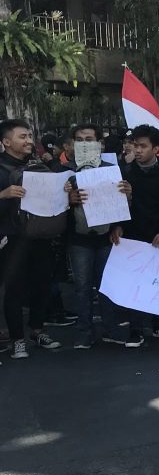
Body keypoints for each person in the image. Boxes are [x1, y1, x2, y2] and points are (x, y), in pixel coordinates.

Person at [112, 124, 159, 343]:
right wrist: (117, 225)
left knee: (157, 282)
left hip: (158, 239)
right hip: (132, 238)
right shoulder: (124, 173)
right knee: (135, 283)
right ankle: (135, 328)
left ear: (156, 149)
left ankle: (157, 322)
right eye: (134, 146)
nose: (137, 150)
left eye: (142, 146)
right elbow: (116, 206)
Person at [0, 119, 65, 359]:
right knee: (14, 290)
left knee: (42, 285)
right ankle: (18, 339)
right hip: (12, 239)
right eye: (22, 137)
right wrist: (4, 194)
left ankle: (38, 330)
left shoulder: (39, 167)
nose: (28, 141)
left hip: (41, 236)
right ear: (6, 141)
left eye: (29, 136)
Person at [65, 128, 135, 348]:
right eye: (79, 140)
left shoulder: (112, 170)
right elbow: (52, 210)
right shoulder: (64, 172)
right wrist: (68, 199)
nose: (84, 144)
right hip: (79, 239)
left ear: (99, 144)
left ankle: (110, 329)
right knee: (82, 287)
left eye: (89, 140)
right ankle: (84, 331)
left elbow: (124, 206)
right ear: (72, 144)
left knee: (106, 286)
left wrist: (127, 197)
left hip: (106, 237)